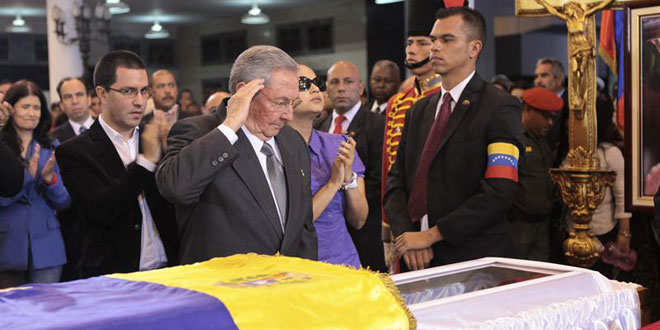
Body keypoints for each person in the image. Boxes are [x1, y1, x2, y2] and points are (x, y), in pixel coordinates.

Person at [385, 7, 522, 270]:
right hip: (415, 254)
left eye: (447, 40)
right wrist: (408, 237)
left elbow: (499, 190)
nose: (435, 48)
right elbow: (396, 182)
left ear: (474, 48)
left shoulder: (500, 106)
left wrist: (432, 235)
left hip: (472, 257)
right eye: (434, 40)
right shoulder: (419, 110)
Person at [156, 45, 317, 264]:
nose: (289, 115)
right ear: (245, 92)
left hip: (287, 287)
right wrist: (230, 125)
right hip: (225, 289)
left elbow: (303, 227)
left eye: (293, 103)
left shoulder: (292, 141)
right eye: (280, 103)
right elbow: (175, 188)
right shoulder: (197, 132)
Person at [56, 50, 179, 278]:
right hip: (114, 277)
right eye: (128, 91)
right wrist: (144, 162)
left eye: (144, 91)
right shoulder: (74, 151)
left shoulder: (155, 138)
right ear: (102, 93)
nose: (139, 101)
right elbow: (102, 210)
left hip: (169, 269)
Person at [381, 0, 444, 272]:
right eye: (409, 43)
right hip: (401, 220)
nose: (412, 50)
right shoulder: (398, 102)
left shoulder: (446, 99)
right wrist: (388, 228)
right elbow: (388, 169)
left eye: (421, 43)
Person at [288, 64, 368, 268]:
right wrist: (333, 184)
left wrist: (348, 177)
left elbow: (359, 220)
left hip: (344, 263)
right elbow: (296, 225)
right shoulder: (272, 151)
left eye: (317, 83)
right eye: (304, 84)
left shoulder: (339, 144)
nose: (315, 89)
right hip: (300, 268)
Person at [315, 60, 387, 272]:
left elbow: (379, 177)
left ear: (360, 87)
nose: (341, 88)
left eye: (348, 81)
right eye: (335, 82)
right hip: (327, 233)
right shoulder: (318, 126)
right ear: (326, 88)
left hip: (366, 229)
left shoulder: (378, 124)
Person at [0, 80, 71, 288]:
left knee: (47, 316)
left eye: (37, 107)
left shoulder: (51, 146)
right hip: (7, 245)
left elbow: (64, 201)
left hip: (47, 245)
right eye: (25, 107)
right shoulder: (2, 148)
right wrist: (28, 178)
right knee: (11, 316)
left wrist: (50, 180)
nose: (32, 113)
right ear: (10, 109)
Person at [510, 87, 563, 261]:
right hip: (517, 226)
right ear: (527, 110)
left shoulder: (542, 140)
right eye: (545, 116)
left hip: (542, 225)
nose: (550, 123)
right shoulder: (512, 137)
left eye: (552, 118)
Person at [50, 77, 95, 143]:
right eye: (68, 97)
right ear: (61, 105)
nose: (74, 101)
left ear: (89, 99)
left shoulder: (107, 129)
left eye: (79, 95)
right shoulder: (53, 138)